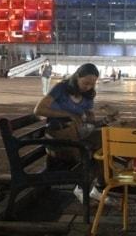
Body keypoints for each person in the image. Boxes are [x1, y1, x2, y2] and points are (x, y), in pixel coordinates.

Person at [33, 63, 111, 203]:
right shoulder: (61, 88)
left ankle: (96, 187)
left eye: (92, 84)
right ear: (77, 77)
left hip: (77, 137)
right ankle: (91, 188)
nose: (88, 87)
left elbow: (91, 123)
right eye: (86, 83)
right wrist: (68, 114)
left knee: (106, 141)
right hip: (58, 139)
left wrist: (106, 119)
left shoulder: (88, 96)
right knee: (100, 148)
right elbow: (39, 110)